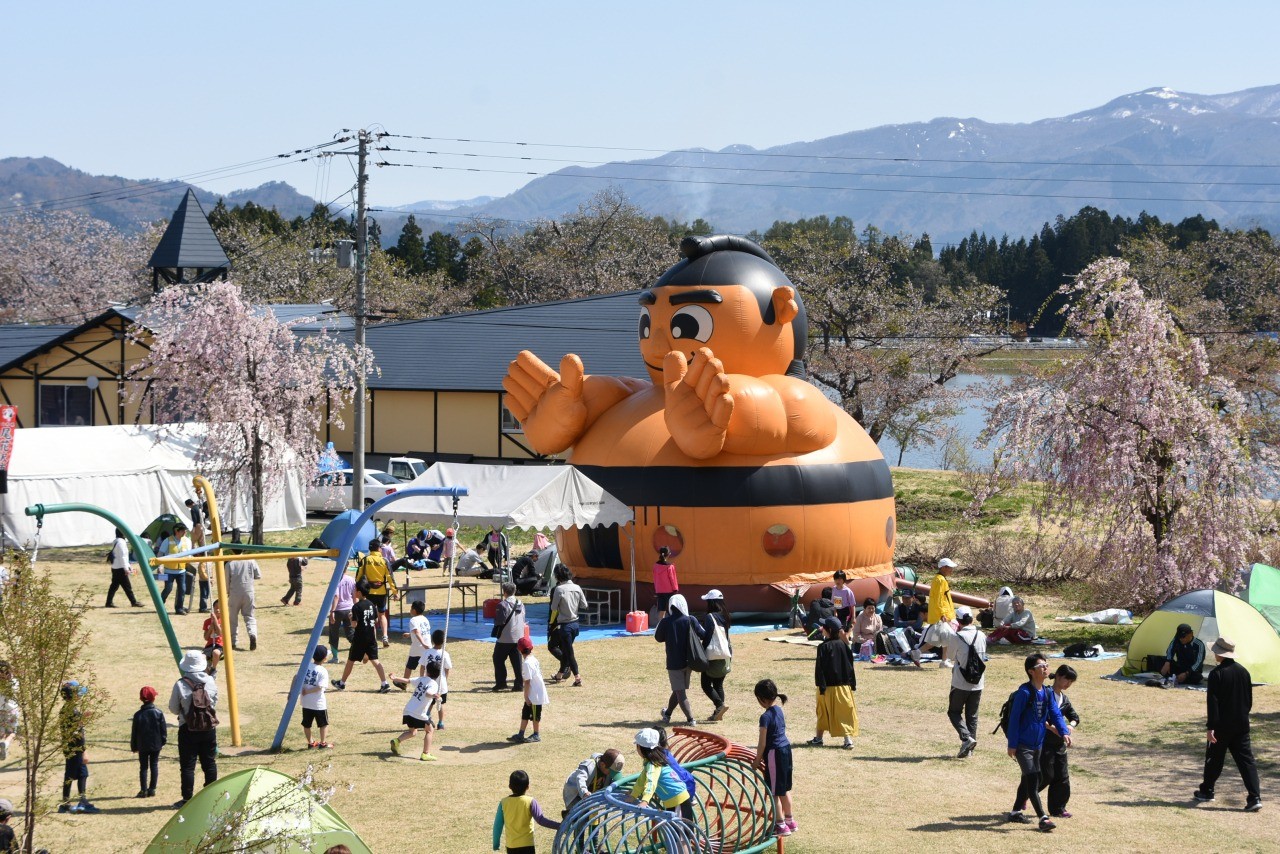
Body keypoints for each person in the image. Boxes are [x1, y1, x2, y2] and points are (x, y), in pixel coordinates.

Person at [1194, 637, 1262, 811]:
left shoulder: (1217, 674)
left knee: (1213, 759)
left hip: (1221, 726)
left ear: (1219, 653)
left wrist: (1211, 727)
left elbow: (1213, 703)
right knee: (1246, 762)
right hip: (1241, 724)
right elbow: (1248, 700)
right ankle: (1254, 797)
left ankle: (1207, 790)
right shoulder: (1244, 672)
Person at [1006, 653, 1071, 832]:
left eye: (1046, 665)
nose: (1046, 668)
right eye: (1041, 665)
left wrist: (1064, 731)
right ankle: (1043, 818)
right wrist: (1012, 744)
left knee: (1031, 779)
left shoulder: (1047, 692)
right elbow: (1014, 720)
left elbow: (1055, 713)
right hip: (1022, 745)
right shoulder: (1024, 693)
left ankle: (1015, 812)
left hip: (1038, 744)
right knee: (1033, 779)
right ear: (1031, 671)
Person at [169, 649, 219, 807]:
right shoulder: (210, 681)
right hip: (208, 728)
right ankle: (211, 795)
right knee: (209, 763)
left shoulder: (180, 684)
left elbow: (174, 709)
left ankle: (187, 798)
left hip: (187, 728)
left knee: (188, 766)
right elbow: (214, 703)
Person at [654, 593, 709, 726]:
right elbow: (703, 634)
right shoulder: (691, 620)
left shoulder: (666, 622)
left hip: (673, 663)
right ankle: (667, 715)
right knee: (678, 690)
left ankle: (691, 719)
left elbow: (658, 637)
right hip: (689, 661)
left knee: (680, 691)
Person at [331, 582, 391, 693]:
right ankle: (385, 683)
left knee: (350, 661)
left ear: (358, 592)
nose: (353, 592)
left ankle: (342, 683)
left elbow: (354, 625)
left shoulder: (356, 607)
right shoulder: (372, 605)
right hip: (371, 637)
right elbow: (376, 620)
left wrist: (350, 618)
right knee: (375, 661)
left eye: (354, 590)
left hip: (359, 638)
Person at [754, 679, 796, 837]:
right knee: (784, 789)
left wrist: (757, 760)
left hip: (774, 753)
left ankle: (780, 825)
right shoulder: (779, 710)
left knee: (773, 792)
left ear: (761, 699)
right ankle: (790, 821)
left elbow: (762, 743)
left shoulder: (765, 717)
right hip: (786, 750)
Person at [1039, 664, 1080, 818]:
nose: (1067, 684)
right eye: (1066, 680)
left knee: (1062, 777)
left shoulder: (1064, 699)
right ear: (1058, 676)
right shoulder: (1045, 693)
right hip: (1043, 742)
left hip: (1059, 744)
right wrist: (1052, 728)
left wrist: (1071, 725)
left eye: (1071, 682)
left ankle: (1058, 808)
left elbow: (1075, 717)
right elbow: (1037, 717)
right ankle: (1026, 795)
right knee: (1045, 776)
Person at [809, 617, 856, 750]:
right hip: (843, 687)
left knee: (822, 712)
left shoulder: (823, 647)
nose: (821, 628)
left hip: (827, 687)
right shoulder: (844, 646)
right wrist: (852, 684)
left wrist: (821, 686)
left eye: (823, 627)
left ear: (828, 630)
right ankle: (844, 740)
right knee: (844, 713)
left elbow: (820, 669)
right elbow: (850, 667)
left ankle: (821, 739)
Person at [948, 609, 987, 758]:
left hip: (960, 682)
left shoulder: (956, 636)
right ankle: (969, 750)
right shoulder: (982, 635)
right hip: (978, 682)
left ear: (958, 621)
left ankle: (966, 738)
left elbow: (951, 656)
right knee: (972, 716)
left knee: (954, 712)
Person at [629, 728, 692, 820]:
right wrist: (633, 794)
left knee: (681, 831)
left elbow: (651, 782)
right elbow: (641, 780)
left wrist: (645, 801)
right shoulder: (652, 761)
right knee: (674, 830)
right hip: (673, 798)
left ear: (640, 748)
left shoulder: (653, 765)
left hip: (678, 798)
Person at [493, 769, 560, 853]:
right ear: (528, 786)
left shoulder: (503, 803)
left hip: (511, 846)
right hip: (527, 845)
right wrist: (560, 826)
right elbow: (541, 820)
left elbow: (497, 826)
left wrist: (496, 844)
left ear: (509, 786)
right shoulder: (530, 801)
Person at [57, 681, 97, 814]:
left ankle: (82, 800)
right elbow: (78, 734)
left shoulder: (67, 710)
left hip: (70, 748)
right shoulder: (72, 712)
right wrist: (84, 751)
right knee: (70, 774)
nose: (80, 697)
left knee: (82, 774)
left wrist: (81, 717)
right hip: (75, 749)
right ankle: (66, 803)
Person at [389, 659, 441, 762]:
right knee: (430, 730)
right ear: (438, 674)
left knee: (413, 732)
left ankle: (396, 741)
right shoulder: (434, 684)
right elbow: (427, 693)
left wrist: (395, 678)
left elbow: (407, 680)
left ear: (427, 671)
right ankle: (425, 754)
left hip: (408, 710)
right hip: (418, 713)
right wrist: (434, 695)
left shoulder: (422, 679)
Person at [911, 557, 958, 668]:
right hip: (940, 616)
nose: (951, 570)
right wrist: (943, 614)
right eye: (949, 567)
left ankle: (919, 653)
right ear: (943, 568)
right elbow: (939, 599)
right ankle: (943, 660)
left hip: (939, 616)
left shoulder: (939, 579)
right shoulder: (940, 580)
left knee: (938, 640)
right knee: (946, 637)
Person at [548, 565, 588, 686]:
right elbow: (584, 605)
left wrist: (551, 623)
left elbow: (553, 608)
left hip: (564, 625)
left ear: (558, 576)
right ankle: (559, 675)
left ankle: (577, 678)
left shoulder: (559, 589)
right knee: (566, 651)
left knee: (569, 653)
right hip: (575, 624)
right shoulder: (577, 587)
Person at [355, 539, 397, 646]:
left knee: (371, 617)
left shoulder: (365, 560)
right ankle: (385, 637)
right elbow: (390, 577)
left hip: (368, 593)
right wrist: (395, 592)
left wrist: (357, 589)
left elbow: (358, 576)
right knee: (382, 615)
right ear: (379, 549)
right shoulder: (384, 561)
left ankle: (373, 640)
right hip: (381, 592)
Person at [699, 589, 732, 722]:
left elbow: (707, 637)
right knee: (718, 685)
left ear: (711, 602)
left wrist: (701, 650)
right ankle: (718, 714)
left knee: (705, 684)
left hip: (713, 655)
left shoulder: (710, 617)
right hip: (725, 654)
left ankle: (720, 706)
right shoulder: (726, 615)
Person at [562, 749, 624, 815]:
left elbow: (617, 782)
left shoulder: (609, 770)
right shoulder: (590, 765)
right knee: (580, 817)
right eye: (611, 772)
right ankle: (568, 816)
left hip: (591, 796)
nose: (611, 775)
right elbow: (580, 778)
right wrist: (584, 792)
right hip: (576, 794)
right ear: (603, 764)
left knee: (591, 816)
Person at [510, 636, 548, 744]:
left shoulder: (527, 663)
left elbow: (527, 682)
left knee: (535, 715)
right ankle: (521, 734)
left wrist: (526, 696)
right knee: (525, 713)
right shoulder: (532, 659)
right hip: (534, 692)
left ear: (519, 649)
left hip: (534, 694)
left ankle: (536, 734)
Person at [131, 685, 166, 798]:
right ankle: (152, 789)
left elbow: (134, 733)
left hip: (142, 745)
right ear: (153, 698)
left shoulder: (137, 715)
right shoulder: (159, 713)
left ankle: (143, 790)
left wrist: (134, 746)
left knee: (143, 767)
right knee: (154, 765)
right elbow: (163, 730)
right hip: (156, 744)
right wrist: (162, 742)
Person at [492, 582, 526, 692]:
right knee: (517, 662)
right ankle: (519, 684)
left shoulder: (502, 605)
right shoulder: (520, 603)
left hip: (505, 638)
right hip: (519, 637)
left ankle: (501, 682)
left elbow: (499, 621)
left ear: (504, 592)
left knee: (498, 659)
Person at [224, 558, 261, 651]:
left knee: (232, 618)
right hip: (248, 592)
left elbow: (226, 581)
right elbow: (258, 575)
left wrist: (227, 592)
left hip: (234, 593)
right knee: (250, 616)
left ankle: (233, 641)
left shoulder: (229, 564)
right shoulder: (251, 561)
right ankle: (252, 634)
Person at [300, 646, 332, 749]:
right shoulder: (323, 670)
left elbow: (297, 677)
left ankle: (310, 742)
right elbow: (320, 687)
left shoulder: (306, 666)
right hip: (318, 703)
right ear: (324, 658)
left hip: (306, 702)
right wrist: (308, 691)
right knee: (323, 724)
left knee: (306, 723)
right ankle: (323, 743)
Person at [159, 523, 193, 615]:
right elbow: (160, 553)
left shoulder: (187, 541)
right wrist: (159, 566)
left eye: (185, 530)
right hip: (168, 570)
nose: (185, 532)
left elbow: (189, 555)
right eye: (183, 530)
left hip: (181, 570)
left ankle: (179, 609)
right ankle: (160, 605)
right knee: (168, 589)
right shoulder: (167, 541)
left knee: (182, 589)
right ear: (176, 531)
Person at [423, 630, 453, 729]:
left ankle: (427, 716)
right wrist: (445, 679)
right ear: (444, 641)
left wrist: (422, 679)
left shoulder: (427, 652)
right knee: (440, 703)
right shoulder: (445, 654)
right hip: (441, 684)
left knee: (429, 702)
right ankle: (440, 723)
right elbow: (447, 669)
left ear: (432, 640)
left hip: (429, 683)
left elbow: (422, 666)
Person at [105, 528, 141, 608]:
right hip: (121, 568)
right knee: (127, 587)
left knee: (114, 586)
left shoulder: (116, 541)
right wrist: (126, 569)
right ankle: (133, 602)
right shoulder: (121, 543)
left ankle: (109, 602)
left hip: (115, 567)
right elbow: (123, 557)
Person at [328, 570, 356, 663]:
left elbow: (336, 596)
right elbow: (354, 595)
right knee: (350, 633)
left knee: (333, 634)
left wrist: (332, 611)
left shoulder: (335, 580)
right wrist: (355, 609)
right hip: (349, 609)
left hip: (338, 610)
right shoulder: (351, 579)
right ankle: (361, 651)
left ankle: (335, 657)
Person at [403, 600, 431, 681]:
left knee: (409, 665)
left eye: (411, 608)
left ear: (414, 610)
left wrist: (423, 643)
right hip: (428, 646)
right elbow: (422, 632)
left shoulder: (413, 620)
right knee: (424, 665)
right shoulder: (425, 619)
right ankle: (424, 680)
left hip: (418, 647)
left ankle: (404, 682)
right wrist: (409, 634)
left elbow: (417, 632)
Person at [652, 546, 678, 621]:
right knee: (672, 609)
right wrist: (675, 589)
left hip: (659, 591)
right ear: (669, 554)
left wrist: (656, 589)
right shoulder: (670, 566)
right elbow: (673, 579)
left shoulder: (655, 566)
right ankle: (673, 624)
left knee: (661, 610)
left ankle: (660, 626)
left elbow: (655, 578)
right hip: (669, 591)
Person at [0, 661, 17, 762]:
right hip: (11, 711)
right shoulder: (14, 682)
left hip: (0, 710)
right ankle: (6, 744)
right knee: (12, 733)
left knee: (0, 732)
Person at [202, 603, 223, 675]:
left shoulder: (224, 620)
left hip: (219, 645)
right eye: (216, 608)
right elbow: (206, 638)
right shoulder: (207, 621)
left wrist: (216, 623)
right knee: (202, 657)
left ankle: (213, 668)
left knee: (215, 653)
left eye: (220, 608)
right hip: (209, 645)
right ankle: (208, 673)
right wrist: (210, 628)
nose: (217, 610)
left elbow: (220, 633)